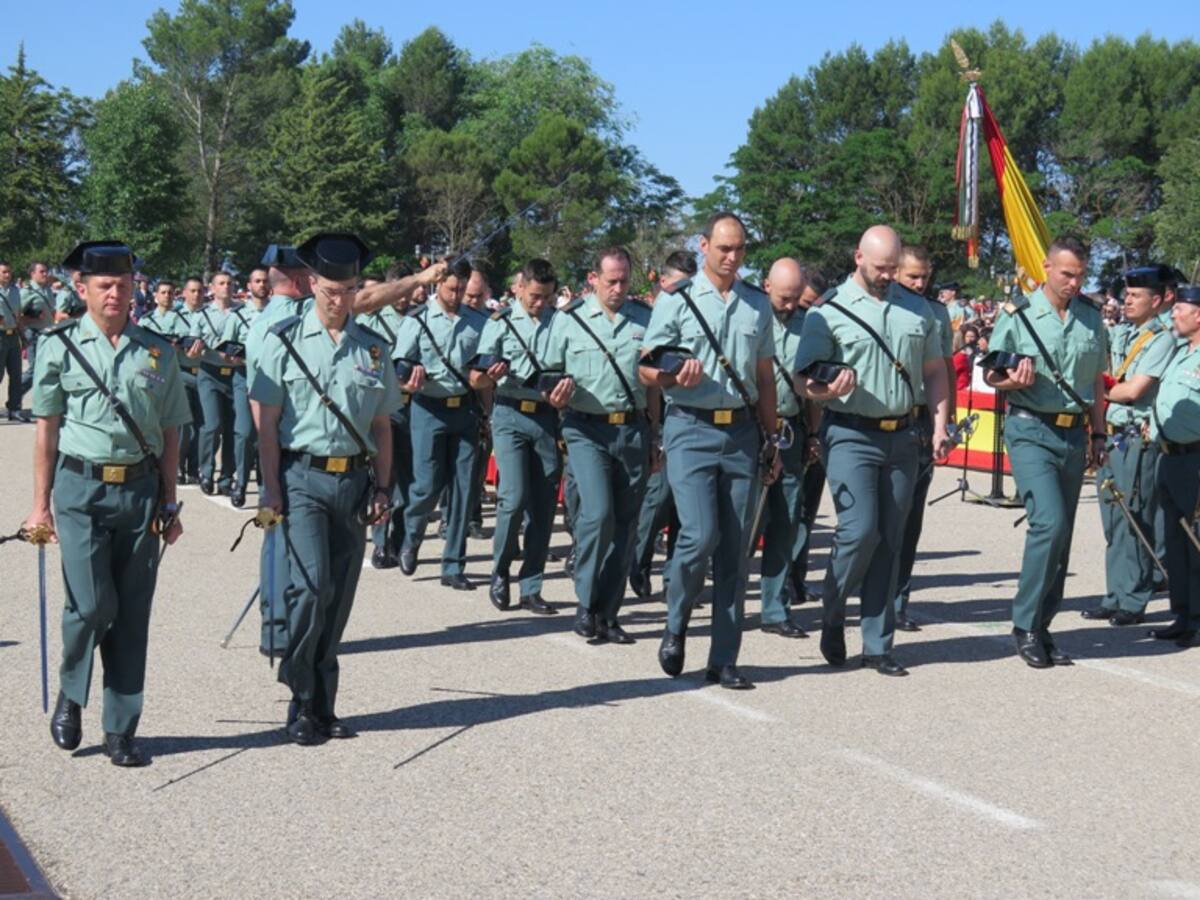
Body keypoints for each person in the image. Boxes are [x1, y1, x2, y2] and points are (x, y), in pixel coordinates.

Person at [24, 241, 189, 767]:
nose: (115, 293)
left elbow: (170, 432)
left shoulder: (156, 350)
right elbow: (46, 431)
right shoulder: (59, 346)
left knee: (133, 613)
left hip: (139, 492)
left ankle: (121, 727)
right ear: (82, 290)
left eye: (123, 284)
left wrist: (170, 500)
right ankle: (72, 693)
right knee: (93, 604)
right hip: (80, 490)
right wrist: (39, 506)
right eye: (103, 286)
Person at [252, 233, 399, 745]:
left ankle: (323, 703)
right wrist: (270, 489)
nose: (340, 300)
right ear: (312, 284)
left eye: (351, 290)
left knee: (337, 598)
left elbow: (383, 426)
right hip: (303, 479)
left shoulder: (375, 349)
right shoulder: (284, 340)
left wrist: (384, 488)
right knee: (310, 587)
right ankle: (300, 693)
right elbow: (266, 426)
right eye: (331, 290)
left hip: (355, 482)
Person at [796, 226, 950, 677]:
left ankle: (878, 643)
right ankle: (833, 605)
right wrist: (825, 386)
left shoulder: (919, 310)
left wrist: (940, 423)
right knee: (859, 530)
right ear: (858, 256)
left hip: (904, 436)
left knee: (889, 537)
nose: (886, 276)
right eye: (879, 267)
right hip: (849, 433)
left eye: (892, 268)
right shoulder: (829, 311)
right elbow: (802, 379)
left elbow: (936, 370)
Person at [639, 212, 782, 690]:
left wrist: (770, 438)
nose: (732, 257)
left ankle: (724, 658)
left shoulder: (756, 305)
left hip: (741, 434)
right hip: (690, 428)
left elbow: (765, 379)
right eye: (723, 248)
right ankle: (676, 621)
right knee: (699, 536)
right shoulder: (676, 300)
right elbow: (646, 369)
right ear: (703, 246)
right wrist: (672, 375)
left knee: (736, 552)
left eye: (740, 248)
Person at [985, 236, 1108, 668]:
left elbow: (1095, 382)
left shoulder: (1092, 318)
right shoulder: (1018, 316)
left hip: (1074, 435)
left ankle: (1042, 623)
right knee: (1049, 523)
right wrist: (1011, 381)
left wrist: (1098, 434)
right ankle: (1024, 624)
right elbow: (993, 375)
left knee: (1064, 533)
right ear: (1046, 267)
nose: (1074, 282)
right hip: (1030, 429)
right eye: (1067, 273)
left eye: (1080, 274)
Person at [545, 248, 657, 640]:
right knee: (598, 514)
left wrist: (655, 434)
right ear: (594, 279)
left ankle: (609, 613)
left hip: (632, 429)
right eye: (611, 281)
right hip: (585, 428)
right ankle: (586, 601)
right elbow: (550, 375)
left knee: (628, 524)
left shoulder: (645, 318)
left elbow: (653, 383)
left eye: (624, 280)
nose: (618, 288)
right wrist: (554, 396)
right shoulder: (569, 320)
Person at [1079, 267, 1173, 625]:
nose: (1128, 300)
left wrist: (1101, 390)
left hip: (1136, 436)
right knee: (1113, 519)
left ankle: (1133, 599)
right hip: (1111, 432)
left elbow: (1133, 391)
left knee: (1134, 516)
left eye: (1136, 296)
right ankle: (1115, 593)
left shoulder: (1161, 337)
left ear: (1159, 299)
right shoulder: (1122, 333)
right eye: (1127, 294)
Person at [473, 259, 561, 614]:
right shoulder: (500, 323)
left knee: (543, 505)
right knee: (512, 497)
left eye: (547, 297)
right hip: (509, 413)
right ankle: (500, 570)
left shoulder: (562, 323)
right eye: (535, 296)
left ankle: (532, 585)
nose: (540, 303)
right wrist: (490, 376)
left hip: (546, 417)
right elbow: (476, 379)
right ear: (520, 287)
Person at [395, 259, 489, 589]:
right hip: (427, 408)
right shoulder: (417, 320)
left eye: (462, 289)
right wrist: (408, 379)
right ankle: (411, 535)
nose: (457, 294)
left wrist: (487, 414)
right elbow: (399, 368)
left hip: (464, 410)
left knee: (464, 488)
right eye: (451, 288)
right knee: (427, 484)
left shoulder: (479, 321)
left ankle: (454, 564)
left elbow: (484, 373)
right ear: (438, 285)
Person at [892, 245, 955, 633]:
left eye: (924, 276)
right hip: (885, 420)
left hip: (919, 419)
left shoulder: (936, 313)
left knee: (910, 518)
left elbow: (944, 368)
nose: (919, 283)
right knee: (876, 521)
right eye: (911, 276)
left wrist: (945, 424)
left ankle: (897, 601)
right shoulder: (884, 307)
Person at [754, 257, 817, 638]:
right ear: (766, 286)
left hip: (790, 432)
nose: (791, 305)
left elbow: (812, 390)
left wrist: (813, 434)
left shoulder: (809, 326)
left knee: (786, 520)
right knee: (738, 521)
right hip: (749, 431)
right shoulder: (748, 318)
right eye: (784, 297)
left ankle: (775, 608)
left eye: (796, 298)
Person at [629, 249, 695, 599]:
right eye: (679, 286)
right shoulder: (646, 320)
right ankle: (637, 561)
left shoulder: (698, 318)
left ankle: (675, 578)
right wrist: (654, 429)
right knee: (659, 499)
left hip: (690, 417)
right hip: (662, 415)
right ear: (663, 282)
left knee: (686, 507)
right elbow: (648, 379)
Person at [361, 262, 426, 569]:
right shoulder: (372, 322)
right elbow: (367, 365)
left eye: (409, 291)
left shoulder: (421, 319)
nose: (404, 298)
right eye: (399, 291)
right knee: (384, 477)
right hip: (384, 407)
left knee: (412, 479)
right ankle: (379, 539)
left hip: (417, 405)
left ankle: (401, 539)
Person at [1150, 284, 1200, 648]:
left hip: (1196, 458)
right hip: (1169, 457)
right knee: (1176, 542)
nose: (1173, 314)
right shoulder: (1181, 353)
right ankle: (1183, 615)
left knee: (1195, 542)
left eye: (1179, 308)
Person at [790, 267, 829, 605]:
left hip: (818, 427)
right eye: (803, 305)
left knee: (806, 510)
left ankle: (796, 579)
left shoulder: (823, 328)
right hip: (786, 426)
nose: (804, 313)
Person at [221, 267, 270, 507]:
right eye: (257, 281)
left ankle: (265, 487)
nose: (262, 285)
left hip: (271, 381)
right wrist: (234, 357)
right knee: (243, 432)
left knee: (267, 435)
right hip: (243, 377)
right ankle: (241, 482)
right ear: (249, 285)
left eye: (265, 281)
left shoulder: (279, 313)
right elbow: (226, 352)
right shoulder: (237, 314)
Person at [190, 272, 238, 495]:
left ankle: (227, 478)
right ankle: (206, 471)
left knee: (233, 428)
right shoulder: (201, 314)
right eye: (221, 283)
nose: (226, 287)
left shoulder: (242, 312)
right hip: (209, 373)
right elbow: (192, 346)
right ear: (212, 287)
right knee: (212, 424)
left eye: (229, 283)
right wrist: (195, 348)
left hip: (236, 374)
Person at [176, 278, 208, 484]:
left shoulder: (209, 315)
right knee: (184, 425)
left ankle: (195, 468)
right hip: (182, 372)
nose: (196, 295)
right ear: (184, 293)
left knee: (203, 426)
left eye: (199, 291)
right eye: (192, 291)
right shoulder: (175, 317)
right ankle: (177, 466)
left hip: (205, 373)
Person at [19, 261, 56, 397]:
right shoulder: (27, 291)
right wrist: (32, 318)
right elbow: (17, 316)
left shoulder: (47, 289)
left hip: (48, 335)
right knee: (34, 370)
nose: (45, 274)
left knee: (48, 369)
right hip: (34, 335)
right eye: (42, 272)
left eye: (46, 271)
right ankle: (15, 397)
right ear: (32, 274)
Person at [0, 261, 27, 421]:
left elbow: (18, 314)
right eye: (4, 272)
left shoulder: (16, 291)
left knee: (16, 374)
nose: (7, 275)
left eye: (9, 272)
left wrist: (22, 335)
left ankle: (14, 408)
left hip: (13, 336)